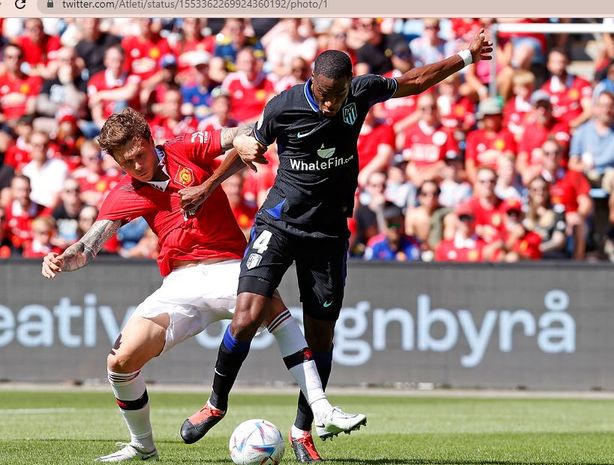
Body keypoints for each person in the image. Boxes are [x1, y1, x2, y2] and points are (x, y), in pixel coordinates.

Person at [179, 33, 493, 462]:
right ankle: (215, 403)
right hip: (280, 222)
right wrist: (207, 184)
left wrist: (465, 57)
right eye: (324, 96)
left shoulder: (360, 93)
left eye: (337, 96)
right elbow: (247, 142)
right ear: (313, 81)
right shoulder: (284, 105)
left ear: (349, 84)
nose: (330, 105)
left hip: (328, 234)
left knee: (320, 336)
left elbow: (416, 80)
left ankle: (302, 431)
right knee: (246, 316)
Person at [40, 108, 364, 463]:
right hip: (179, 283)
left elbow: (239, 133)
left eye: (139, 156)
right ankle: (142, 446)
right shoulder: (124, 193)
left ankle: (321, 408)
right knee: (120, 362)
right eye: (125, 162)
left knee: (273, 307)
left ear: (149, 140)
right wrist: (62, 258)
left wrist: (243, 141)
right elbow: (88, 246)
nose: (135, 167)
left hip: (228, 267)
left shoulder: (185, 147)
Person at [569, 91, 614, 239]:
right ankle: (580, 227)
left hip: (610, 172)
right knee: (574, 178)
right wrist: (583, 167)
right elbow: (572, 163)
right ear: (596, 108)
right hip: (586, 173)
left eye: (611, 106)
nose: (607, 109)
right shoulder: (582, 131)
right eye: (603, 105)